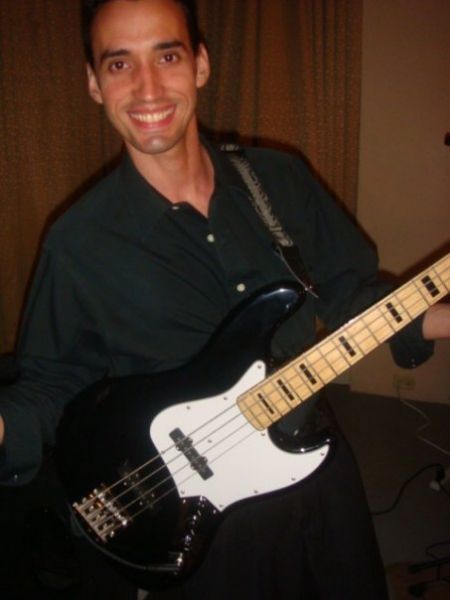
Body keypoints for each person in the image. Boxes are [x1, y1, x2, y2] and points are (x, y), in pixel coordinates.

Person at [0, 0, 449, 598]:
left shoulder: (279, 179)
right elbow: (54, 384)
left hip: (317, 468)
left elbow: (351, 294)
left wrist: (441, 320)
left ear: (201, 65)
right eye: (119, 64)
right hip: (207, 524)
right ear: (93, 83)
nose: (148, 88)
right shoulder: (77, 242)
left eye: (167, 56)